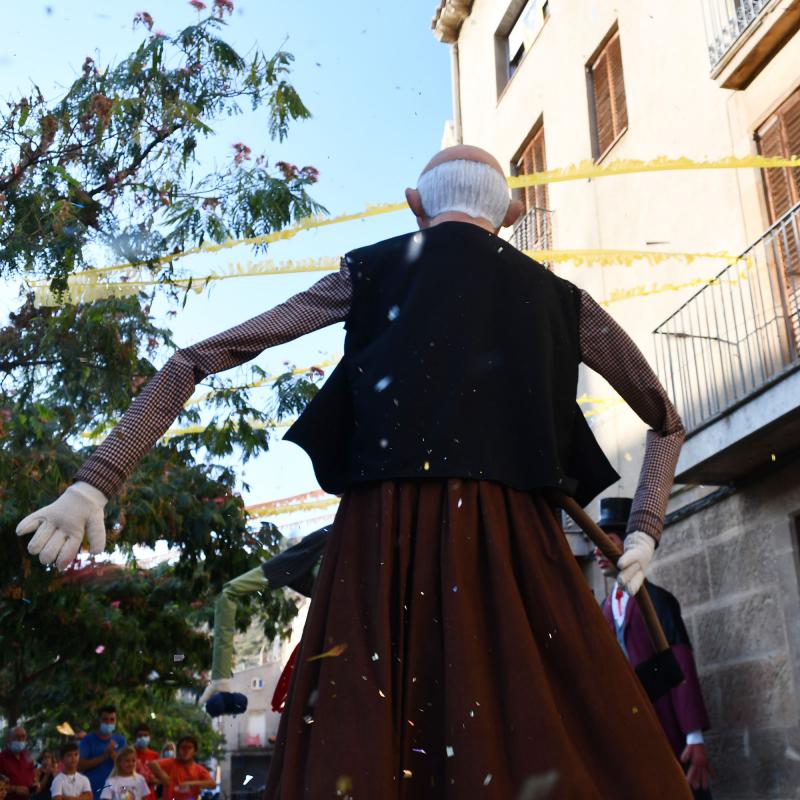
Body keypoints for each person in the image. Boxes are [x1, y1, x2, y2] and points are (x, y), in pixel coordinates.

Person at [17, 144, 690, 798]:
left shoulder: (367, 274)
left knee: (367, 746)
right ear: (509, 217)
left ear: (414, 205)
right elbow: (668, 422)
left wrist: (96, 479)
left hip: (381, 547)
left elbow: (200, 356)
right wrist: (644, 531)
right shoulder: (564, 301)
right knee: (546, 737)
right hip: (517, 554)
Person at [595, 496, 713, 799]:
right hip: (626, 734)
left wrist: (694, 736)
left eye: (605, 540)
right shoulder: (602, 610)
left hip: (665, 728)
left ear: (627, 545)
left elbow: (681, 665)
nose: (597, 551)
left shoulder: (658, 602)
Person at [197, 525, 330, 709]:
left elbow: (230, 592)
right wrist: (220, 674)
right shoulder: (331, 538)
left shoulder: (333, 536)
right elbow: (230, 592)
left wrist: (221, 674)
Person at [77, 707, 125, 799]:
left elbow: (126, 767)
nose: (108, 722)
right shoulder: (88, 740)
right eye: (105, 719)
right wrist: (105, 755)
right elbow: (80, 765)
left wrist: (113, 754)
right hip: (92, 792)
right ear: (99, 720)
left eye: (112, 720)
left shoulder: (121, 740)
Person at [148, 738, 214, 800]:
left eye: (189, 748)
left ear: (195, 751)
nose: (186, 750)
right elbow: (151, 764)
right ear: (178, 750)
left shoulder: (199, 769)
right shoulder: (171, 762)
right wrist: (163, 776)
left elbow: (212, 784)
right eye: (183, 747)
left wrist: (192, 783)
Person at [0, 728, 36, 800]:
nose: (20, 739)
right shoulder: (1, 758)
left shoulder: (27, 756)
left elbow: (33, 775)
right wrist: (15, 789)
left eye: (23, 736)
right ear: (9, 739)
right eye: (17, 736)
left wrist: (36, 784)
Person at [131, 727, 158, 800]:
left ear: (150, 737)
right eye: (140, 736)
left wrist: (153, 780)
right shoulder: (129, 753)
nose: (143, 738)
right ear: (135, 737)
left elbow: (160, 779)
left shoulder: (155, 755)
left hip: (150, 795)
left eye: (145, 735)